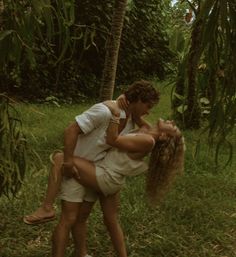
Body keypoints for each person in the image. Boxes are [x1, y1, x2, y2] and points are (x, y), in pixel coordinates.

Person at [23, 80, 160, 257]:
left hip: (93, 170)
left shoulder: (128, 121)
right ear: (139, 100)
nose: (148, 111)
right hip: (75, 168)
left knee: (82, 218)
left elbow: (147, 129)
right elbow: (70, 130)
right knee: (69, 218)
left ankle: (81, 254)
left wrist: (126, 108)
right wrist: (69, 162)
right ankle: (47, 209)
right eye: (147, 106)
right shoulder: (104, 111)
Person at [53, 104, 185, 257]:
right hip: (110, 177)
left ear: (164, 136)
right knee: (106, 220)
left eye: (174, 128)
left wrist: (115, 115)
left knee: (60, 158)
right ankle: (87, 254)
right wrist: (123, 101)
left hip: (105, 175)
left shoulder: (148, 141)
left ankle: (47, 206)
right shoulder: (147, 130)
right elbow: (136, 115)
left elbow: (112, 139)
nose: (173, 123)